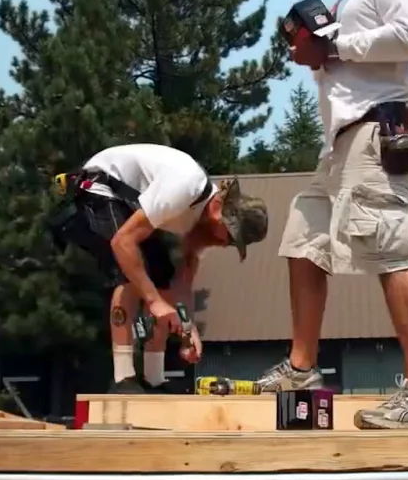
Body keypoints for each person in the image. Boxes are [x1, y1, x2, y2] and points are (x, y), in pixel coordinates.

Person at [253, 0, 408, 431]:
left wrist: (333, 49)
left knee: (387, 243)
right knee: (305, 234)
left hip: (384, 126)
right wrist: (324, 40)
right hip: (347, 137)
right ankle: (301, 367)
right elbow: (367, 47)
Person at [47, 143, 269, 393]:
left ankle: (154, 378)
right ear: (219, 209)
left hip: (129, 201)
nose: (224, 243)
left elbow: (182, 281)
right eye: (229, 236)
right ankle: (123, 378)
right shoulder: (184, 189)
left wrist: (188, 330)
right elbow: (122, 242)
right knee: (130, 275)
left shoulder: (201, 222)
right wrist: (153, 302)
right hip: (100, 186)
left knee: (162, 278)